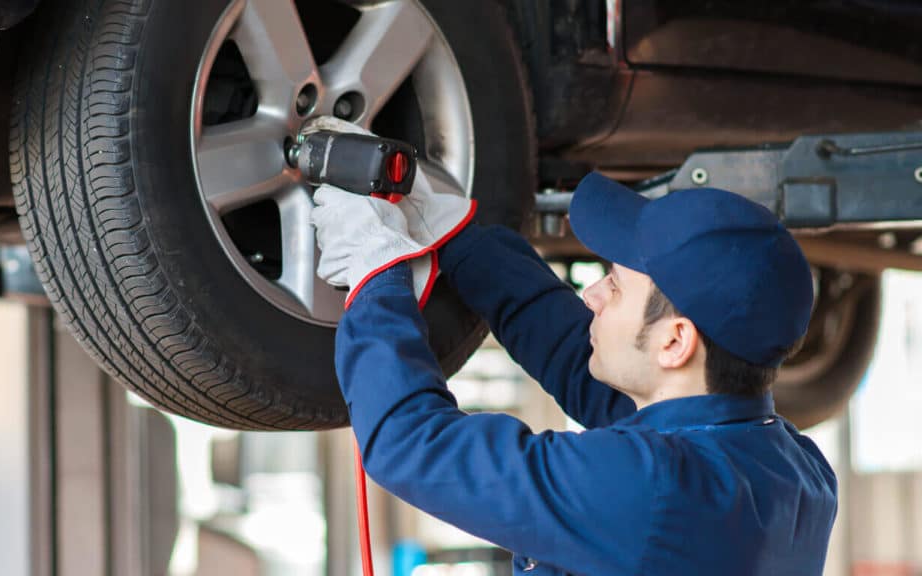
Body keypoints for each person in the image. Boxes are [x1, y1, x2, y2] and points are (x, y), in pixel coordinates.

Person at [310, 155, 837, 575]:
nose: (592, 294)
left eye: (615, 283)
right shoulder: (791, 468)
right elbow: (573, 358)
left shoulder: (651, 491)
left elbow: (412, 445)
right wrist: (460, 238)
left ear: (676, 342)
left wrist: (375, 275)